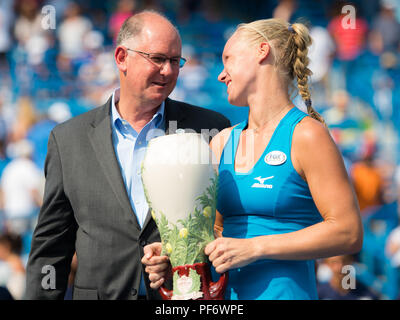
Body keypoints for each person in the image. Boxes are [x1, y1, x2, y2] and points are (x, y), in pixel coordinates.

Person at [143, 18, 363, 300]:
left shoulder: (307, 135)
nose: (221, 75)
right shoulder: (221, 141)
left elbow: (348, 232)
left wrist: (255, 247)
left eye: (228, 59)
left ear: (262, 51)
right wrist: (173, 251)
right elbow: (215, 233)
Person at [25, 10, 230, 300]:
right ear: (122, 57)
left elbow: (227, 226)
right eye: (158, 59)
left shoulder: (210, 129)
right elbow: (51, 246)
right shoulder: (68, 139)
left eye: (175, 61)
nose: (169, 71)